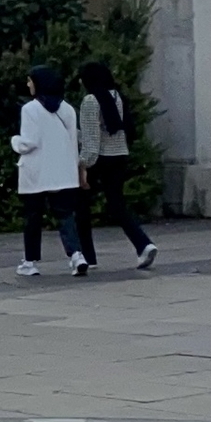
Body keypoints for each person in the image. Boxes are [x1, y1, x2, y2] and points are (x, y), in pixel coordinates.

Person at [77, 62, 157, 271]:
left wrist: (83, 166)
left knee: (81, 207)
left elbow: (91, 140)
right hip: (119, 155)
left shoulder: (90, 101)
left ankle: (88, 256)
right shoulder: (117, 97)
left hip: (99, 159)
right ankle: (143, 244)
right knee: (117, 205)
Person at [12, 64, 87, 277]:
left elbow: (29, 143)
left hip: (36, 172)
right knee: (65, 216)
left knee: (33, 218)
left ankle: (30, 262)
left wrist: (15, 141)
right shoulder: (68, 110)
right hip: (63, 172)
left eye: (30, 80)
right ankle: (76, 255)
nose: (28, 84)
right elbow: (74, 142)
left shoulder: (30, 109)